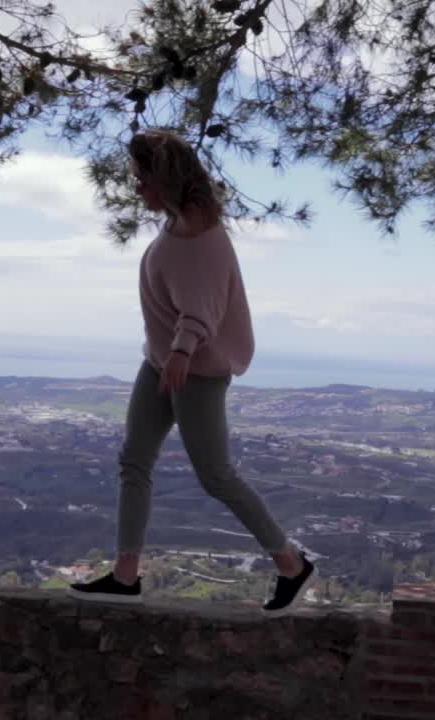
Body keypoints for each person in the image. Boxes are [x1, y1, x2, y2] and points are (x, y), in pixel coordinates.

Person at [68, 129, 315, 617]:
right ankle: (125, 576)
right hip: (161, 360)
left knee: (215, 475)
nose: (136, 186)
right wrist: (170, 353)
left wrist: (182, 352)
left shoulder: (201, 236)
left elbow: (202, 309)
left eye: (142, 177)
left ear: (165, 179)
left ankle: (291, 564)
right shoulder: (178, 224)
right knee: (134, 459)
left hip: (194, 369)